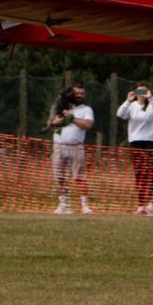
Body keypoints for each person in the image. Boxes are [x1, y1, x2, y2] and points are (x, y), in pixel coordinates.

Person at [117, 82, 153, 215]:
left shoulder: (151, 106)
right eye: (139, 92)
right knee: (139, 173)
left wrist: (151, 98)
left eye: (144, 92)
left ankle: (152, 203)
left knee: (150, 171)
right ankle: (141, 204)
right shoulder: (132, 106)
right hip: (135, 141)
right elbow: (120, 114)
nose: (141, 95)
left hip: (150, 141)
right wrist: (127, 100)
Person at [50, 82, 94, 214]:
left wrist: (72, 118)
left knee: (79, 177)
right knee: (60, 176)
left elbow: (87, 125)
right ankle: (63, 205)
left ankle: (84, 205)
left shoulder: (87, 109)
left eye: (82, 93)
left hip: (76, 146)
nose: (79, 95)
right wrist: (61, 118)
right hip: (59, 146)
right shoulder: (62, 106)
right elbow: (53, 122)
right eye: (77, 93)